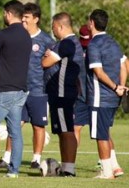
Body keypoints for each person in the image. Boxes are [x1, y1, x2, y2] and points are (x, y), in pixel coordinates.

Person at [0, 0, 32, 177]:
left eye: (5, 13)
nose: (4, 16)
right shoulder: (27, 35)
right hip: (21, 89)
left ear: (9, 14)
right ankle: (14, 170)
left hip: (5, 89)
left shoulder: (3, 34)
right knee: (15, 132)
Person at [83, 9, 128, 179]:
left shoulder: (94, 44)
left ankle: (106, 172)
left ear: (92, 23)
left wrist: (116, 86)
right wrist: (121, 86)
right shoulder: (113, 42)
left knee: (100, 135)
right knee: (105, 131)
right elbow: (125, 64)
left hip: (99, 97)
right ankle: (114, 167)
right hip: (112, 98)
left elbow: (98, 72)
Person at [41, 12, 84, 177]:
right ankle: (66, 167)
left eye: (53, 28)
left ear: (60, 26)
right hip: (65, 92)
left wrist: (47, 54)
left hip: (62, 92)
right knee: (63, 131)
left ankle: (68, 169)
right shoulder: (75, 43)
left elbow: (45, 62)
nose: (53, 32)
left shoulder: (66, 43)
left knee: (66, 131)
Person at [17, 3, 55, 169]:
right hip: (18, 89)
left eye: (26, 17)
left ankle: (36, 159)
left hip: (38, 90)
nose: (23, 20)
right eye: (22, 17)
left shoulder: (47, 41)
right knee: (15, 123)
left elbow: (54, 63)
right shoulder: (18, 37)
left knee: (38, 126)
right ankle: (7, 156)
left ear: (36, 19)